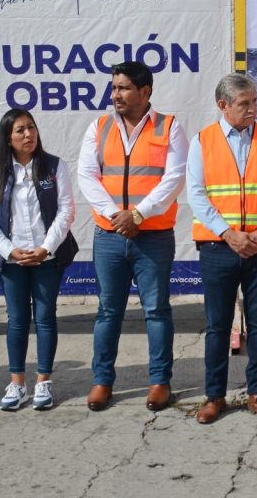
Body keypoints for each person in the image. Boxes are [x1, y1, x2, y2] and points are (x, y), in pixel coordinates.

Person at [76, 61, 188, 412]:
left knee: (156, 311)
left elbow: (174, 178)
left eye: (123, 88)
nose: (116, 95)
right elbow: (87, 175)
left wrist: (138, 214)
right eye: (114, 88)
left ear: (145, 91)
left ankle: (159, 381)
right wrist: (117, 217)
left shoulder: (169, 127)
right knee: (108, 312)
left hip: (153, 236)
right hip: (110, 236)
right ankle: (102, 381)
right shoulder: (99, 127)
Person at [187, 73, 257, 424]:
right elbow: (197, 195)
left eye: (254, 102)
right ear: (223, 105)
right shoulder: (203, 141)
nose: (253, 109)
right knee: (218, 325)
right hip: (218, 247)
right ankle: (214, 396)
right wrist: (229, 234)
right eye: (244, 103)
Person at [0, 109, 76, 411]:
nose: (28, 134)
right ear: (7, 137)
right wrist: (10, 251)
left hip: (47, 257)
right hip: (13, 261)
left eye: (31, 128)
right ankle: (17, 384)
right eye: (20, 130)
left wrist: (46, 248)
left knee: (45, 318)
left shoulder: (53, 166)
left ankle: (43, 382)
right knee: (18, 320)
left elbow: (66, 211)